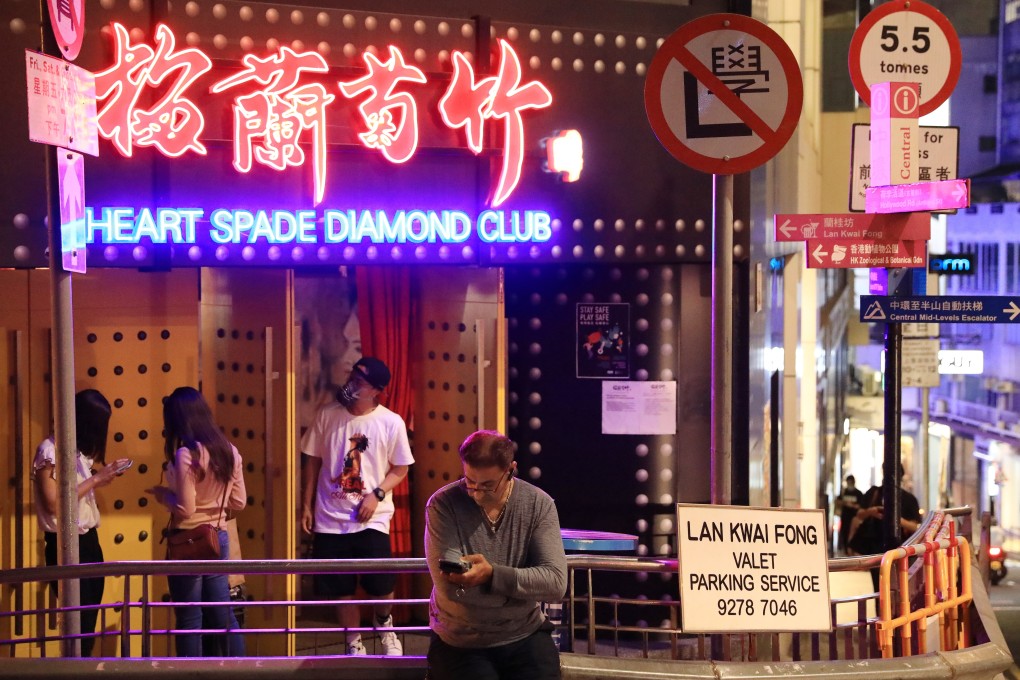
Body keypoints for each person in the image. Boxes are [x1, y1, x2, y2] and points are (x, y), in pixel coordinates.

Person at [425, 430, 567, 680]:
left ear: (511, 470)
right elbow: (450, 591)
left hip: (525, 633)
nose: (476, 493)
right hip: (460, 640)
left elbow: (555, 583)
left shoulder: (538, 504)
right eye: (469, 481)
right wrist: (520, 592)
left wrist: (491, 576)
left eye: (488, 486)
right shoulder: (442, 504)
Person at [301, 356, 414, 656]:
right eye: (353, 375)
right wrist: (307, 503)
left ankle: (384, 622)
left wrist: (376, 494)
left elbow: (400, 468)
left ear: (376, 390)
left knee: (381, 583)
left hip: (371, 518)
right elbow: (312, 459)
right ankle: (353, 640)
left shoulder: (391, 421)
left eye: (360, 381)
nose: (352, 383)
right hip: (330, 516)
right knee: (341, 587)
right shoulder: (327, 414)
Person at [147, 386, 246, 657]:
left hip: (187, 542)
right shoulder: (229, 451)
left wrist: (164, 495)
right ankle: (241, 671)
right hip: (218, 537)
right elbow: (239, 502)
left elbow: (186, 510)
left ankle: (190, 673)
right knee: (222, 615)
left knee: (190, 620)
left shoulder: (187, 454)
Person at [32, 388, 131, 657]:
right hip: (64, 541)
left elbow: (75, 492)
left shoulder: (75, 453)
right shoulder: (49, 450)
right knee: (77, 623)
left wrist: (104, 473)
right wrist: (98, 479)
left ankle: (81, 666)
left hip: (88, 542)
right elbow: (54, 502)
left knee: (87, 622)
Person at [848, 464, 921, 589]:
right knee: (879, 588)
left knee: (900, 588)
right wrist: (871, 511)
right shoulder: (874, 492)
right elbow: (859, 515)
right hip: (876, 548)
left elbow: (915, 526)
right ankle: (881, 608)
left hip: (902, 550)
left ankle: (891, 608)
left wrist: (897, 520)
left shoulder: (909, 499)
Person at [835, 475, 864, 555]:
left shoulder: (858, 493)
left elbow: (861, 506)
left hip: (853, 518)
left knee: (853, 535)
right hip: (845, 518)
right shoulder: (844, 492)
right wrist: (845, 503)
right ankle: (846, 550)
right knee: (844, 533)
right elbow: (838, 501)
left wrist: (852, 506)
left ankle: (852, 550)